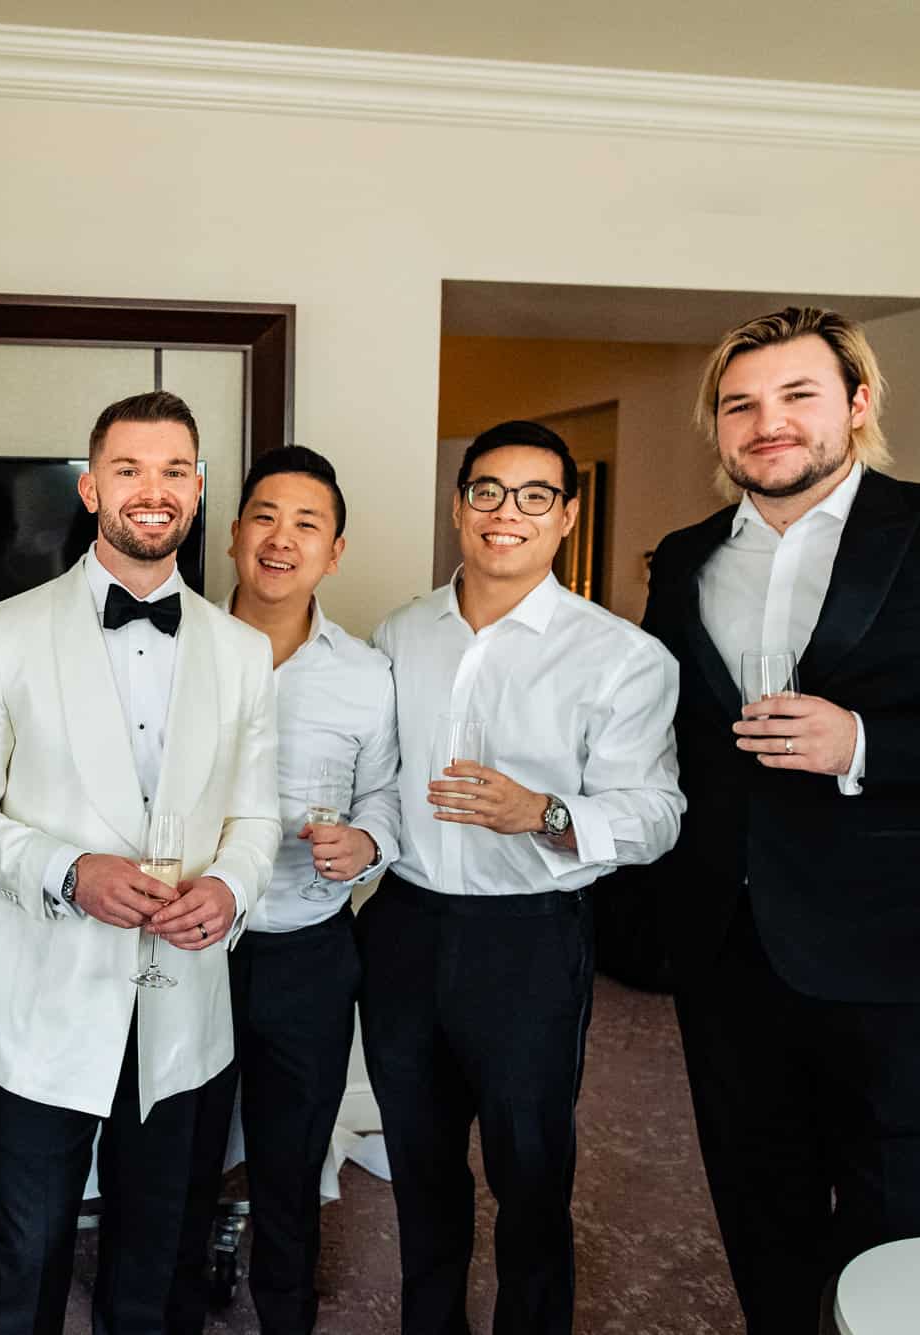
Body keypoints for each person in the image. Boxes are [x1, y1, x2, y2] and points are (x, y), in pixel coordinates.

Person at [641, 306, 920, 1333]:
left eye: (796, 395)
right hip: (728, 951)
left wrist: (865, 744)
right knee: (759, 1215)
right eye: (739, 405)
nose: (766, 422)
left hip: (906, 955)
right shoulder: (681, 557)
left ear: (855, 404)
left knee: (903, 1238)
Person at [0, 390, 280, 1335]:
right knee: (29, 1245)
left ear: (197, 490)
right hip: (43, 995)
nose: (152, 490)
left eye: (174, 470)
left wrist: (232, 884)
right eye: (129, 469)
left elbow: (257, 813)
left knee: (154, 1252)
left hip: (182, 1000)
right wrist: (68, 871)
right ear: (90, 489)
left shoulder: (244, 652)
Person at [365, 420, 683, 1335]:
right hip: (405, 925)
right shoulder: (399, 632)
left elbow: (658, 813)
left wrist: (543, 812)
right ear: (459, 505)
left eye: (536, 495)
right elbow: (378, 776)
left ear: (567, 515)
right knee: (419, 1161)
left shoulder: (620, 655)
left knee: (531, 1170)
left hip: (529, 936)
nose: (508, 512)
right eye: (488, 491)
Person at [223, 445, 399, 1335]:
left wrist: (366, 841)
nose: (281, 539)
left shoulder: (366, 675)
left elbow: (386, 794)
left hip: (308, 948)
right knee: (169, 1151)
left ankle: (283, 1314)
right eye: (265, 516)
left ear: (334, 552)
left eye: (306, 523)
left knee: (290, 1159)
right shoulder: (172, 648)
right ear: (233, 535)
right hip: (185, 941)